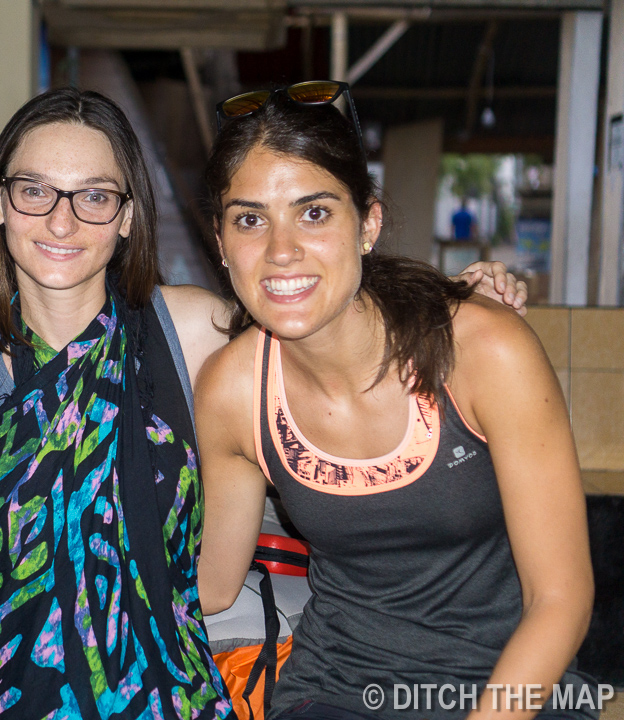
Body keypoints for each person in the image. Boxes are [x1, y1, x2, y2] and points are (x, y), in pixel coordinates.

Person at [0, 87, 527, 719]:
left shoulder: (194, 332)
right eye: (34, 191)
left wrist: (451, 298)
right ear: (0, 206)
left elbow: (315, 304)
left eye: (94, 195)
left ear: (127, 217)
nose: (62, 220)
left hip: (172, 691)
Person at [194, 85, 594, 720]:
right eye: (249, 219)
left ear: (368, 225)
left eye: (314, 212)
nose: (280, 249)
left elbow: (561, 599)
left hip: (511, 686)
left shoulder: (481, 351)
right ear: (220, 242)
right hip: (335, 690)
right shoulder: (233, 390)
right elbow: (213, 585)